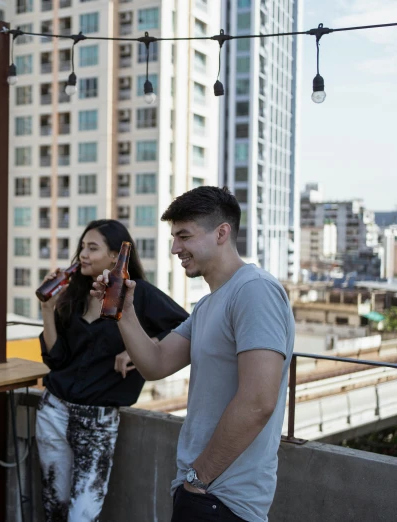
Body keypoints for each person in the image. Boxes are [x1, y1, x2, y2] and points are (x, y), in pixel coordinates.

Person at [93, 186, 294, 522]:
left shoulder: (254, 290)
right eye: (174, 237)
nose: (175, 248)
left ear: (221, 233)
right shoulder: (207, 306)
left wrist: (199, 479)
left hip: (224, 497)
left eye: (183, 236)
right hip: (201, 490)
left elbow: (259, 401)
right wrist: (124, 312)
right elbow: (155, 363)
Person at [37, 219, 188, 521]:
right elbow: (56, 360)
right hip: (53, 410)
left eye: (92, 248)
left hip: (98, 419)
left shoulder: (138, 294)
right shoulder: (74, 296)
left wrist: (140, 349)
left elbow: (186, 326)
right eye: (82, 246)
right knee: (55, 507)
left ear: (115, 256)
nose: (82, 254)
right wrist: (47, 312)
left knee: (83, 514)